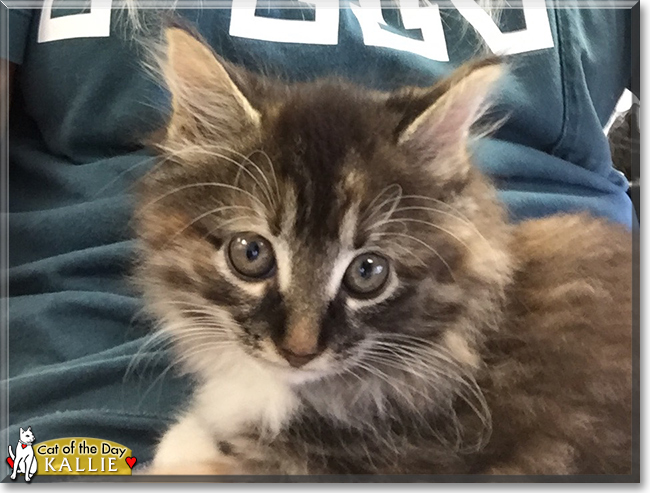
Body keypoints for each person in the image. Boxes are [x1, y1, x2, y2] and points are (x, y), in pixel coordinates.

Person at [0, 0, 637, 469]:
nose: (300, 341)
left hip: (445, 355)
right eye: (253, 257)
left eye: (363, 275)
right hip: (76, 388)